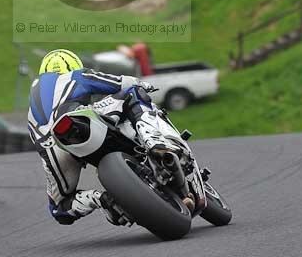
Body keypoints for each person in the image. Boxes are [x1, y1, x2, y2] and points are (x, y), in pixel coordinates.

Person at [27, 48, 185, 227]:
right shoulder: (77, 75)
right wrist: (142, 84)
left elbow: (37, 142)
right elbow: (119, 83)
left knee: (60, 209)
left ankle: (102, 200)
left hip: (53, 148)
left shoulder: (33, 100)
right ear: (73, 65)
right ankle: (154, 141)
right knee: (132, 93)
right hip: (78, 120)